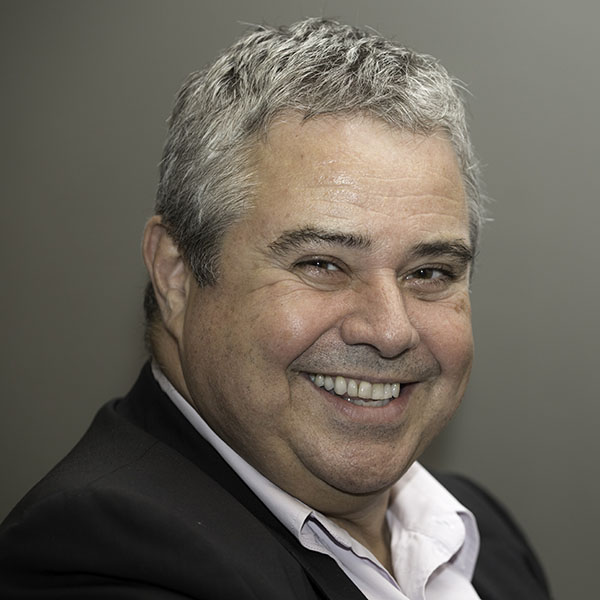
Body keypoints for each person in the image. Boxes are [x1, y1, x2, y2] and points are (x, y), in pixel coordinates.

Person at [0, 18, 551, 599]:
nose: (391, 330)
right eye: (322, 265)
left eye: (429, 273)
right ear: (176, 274)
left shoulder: (486, 537)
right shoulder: (100, 556)